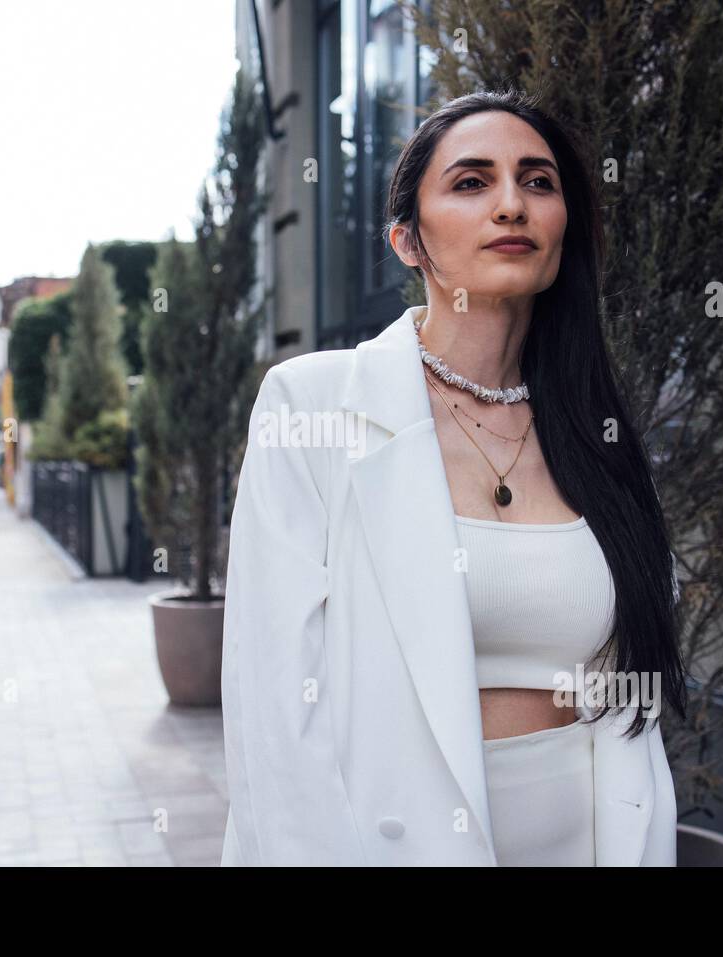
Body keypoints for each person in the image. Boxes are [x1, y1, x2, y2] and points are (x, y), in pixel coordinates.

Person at [220, 89, 687, 867]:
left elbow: (627, 695)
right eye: (472, 182)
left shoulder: (592, 431)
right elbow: (274, 713)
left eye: (538, 182)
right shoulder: (312, 405)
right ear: (408, 240)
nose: (512, 204)